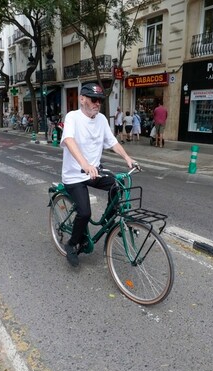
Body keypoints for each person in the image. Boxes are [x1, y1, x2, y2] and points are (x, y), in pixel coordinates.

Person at [60, 83, 136, 267]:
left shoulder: (101, 119)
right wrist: (85, 164)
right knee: (85, 212)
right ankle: (72, 244)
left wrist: (127, 157)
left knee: (117, 186)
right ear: (82, 99)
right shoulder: (73, 117)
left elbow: (112, 142)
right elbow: (69, 140)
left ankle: (112, 222)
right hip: (75, 174)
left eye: (100, 101)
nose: (97, 104)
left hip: (94, 172)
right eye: (93, 100)